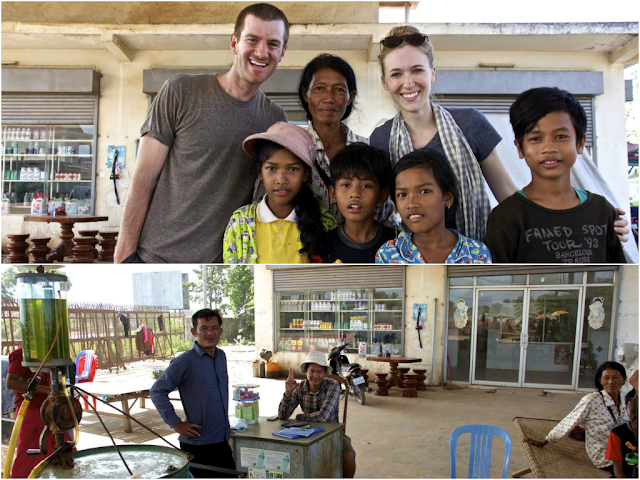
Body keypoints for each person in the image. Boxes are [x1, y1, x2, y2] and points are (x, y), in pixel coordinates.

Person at [114, 3, 289, 263]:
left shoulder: (274, 119)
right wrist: (123, 255)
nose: (262, 52)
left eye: (273, 44)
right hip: (156, 257)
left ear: (283, 52)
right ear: (234, 43)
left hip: (222, 264)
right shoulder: (180, 92)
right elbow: (144, 178)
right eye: (252, 40)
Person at [369, 26, 517, 241]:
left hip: (475, 254)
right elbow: (380, 209)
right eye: (396, 74)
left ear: (433, 73)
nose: (408, 82)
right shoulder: (380, 139)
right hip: (412, 259)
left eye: (417, 70)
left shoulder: (470, 123)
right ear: (384, 82)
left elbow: (507, 195)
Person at [485, 87, 627, 263]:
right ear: (520, 148)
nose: (549, 148)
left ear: (580, 143)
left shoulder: (602, 211)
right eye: (535, 138)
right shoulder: (506, 217)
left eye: (560, 136)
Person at [254, 54, 367, 219]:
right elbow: (263, 208)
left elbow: (384, 212)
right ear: (305, 94)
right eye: (319, 88)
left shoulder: (367, 149)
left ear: (351, 96)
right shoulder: (288, 147)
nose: (329, 98)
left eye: (339, 90)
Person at [223, 122, 336, 263]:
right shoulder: (240, 223)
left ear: (306, 174)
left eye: (292, 169)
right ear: (260, 172)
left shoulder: (324, 222)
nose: (281, 180)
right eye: (271, 169)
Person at [149, 309, 234, 478]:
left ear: (220, 331)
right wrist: (176, 423)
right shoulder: (184, 361)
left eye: (214, 328)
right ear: (194, 332)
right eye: (204, 328)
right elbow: (157, 391)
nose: (210, 333)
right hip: (199, 445)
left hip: (222, 440)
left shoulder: (221, 356)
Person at [375, 149, 492, 264]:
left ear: (447, 198)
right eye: (402, 194)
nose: (411, 203)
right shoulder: (389, 255)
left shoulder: (476, 253)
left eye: (424, 191)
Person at [525, 361, 633, 472]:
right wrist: (545, 441)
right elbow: (569, 421)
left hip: (627, 448)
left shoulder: (627, 398)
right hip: (605, 455)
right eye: (606, 378)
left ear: (624, 379)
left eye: (615, 377)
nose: (611, 382)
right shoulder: (592, 400)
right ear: (600, 380)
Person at [278, 351, 356, 478]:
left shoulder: (333, 385)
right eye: (312, 371)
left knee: (348, 455)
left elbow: (323, 417)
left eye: (319, 372)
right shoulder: (300, 387)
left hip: (332, 432)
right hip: (306, 432)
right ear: (305, 372)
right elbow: (282, 417)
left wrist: (299, 418)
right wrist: (287, 394)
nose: (315, 375)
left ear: (325, 373)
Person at [319, 143, 397, 263]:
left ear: (382, 195)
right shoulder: (323, 245)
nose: (355, 193)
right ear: (333, 194)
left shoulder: (398, 243)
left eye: (366, 186)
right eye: (346, 185)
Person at [6, 346, 73, 479]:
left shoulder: (49, 352)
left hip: (52, 411)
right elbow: (11, 382)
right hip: (32, 412)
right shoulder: (22, 353)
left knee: (65, 454)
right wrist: (46, 390)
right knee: (29, 462)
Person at [606, 391, 638, 478]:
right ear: (626, 408)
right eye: (633, 408)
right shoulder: (617, 434)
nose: (637, 413)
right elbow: (618, 471)